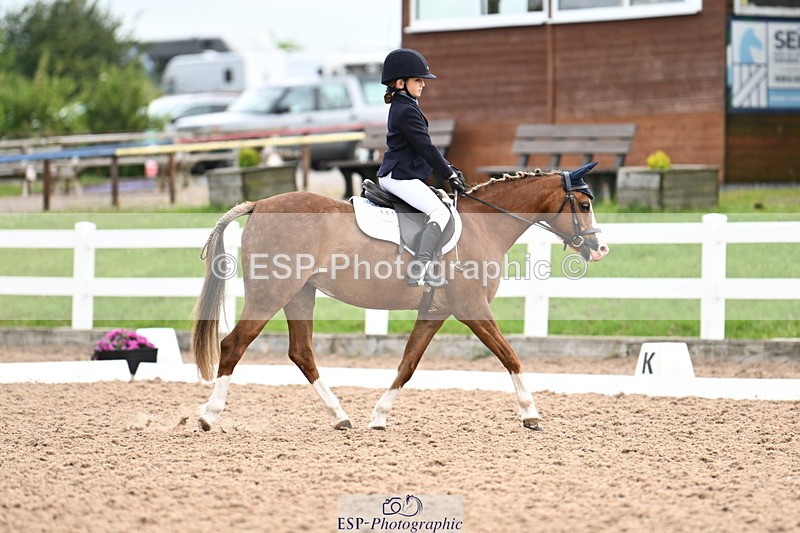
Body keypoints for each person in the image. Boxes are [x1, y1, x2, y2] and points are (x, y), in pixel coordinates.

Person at [377, 48, 466, 287]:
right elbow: (426, 147)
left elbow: (423, 148)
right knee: (440, 213)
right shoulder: (406, 110)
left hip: (399, 173)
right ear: (400, 83)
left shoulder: (404, 105)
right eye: (418, 80)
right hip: (399, 176)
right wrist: (448, 174)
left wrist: (450, 167)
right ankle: (420, 267)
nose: (423, 84)